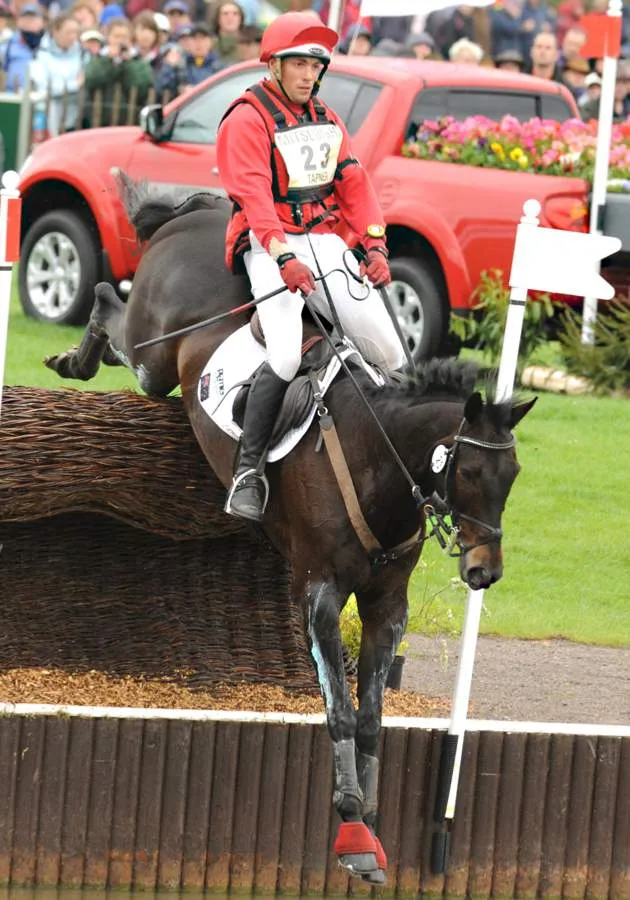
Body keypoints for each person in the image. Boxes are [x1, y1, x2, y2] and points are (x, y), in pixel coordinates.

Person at [215, 11, 404, 522]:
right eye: (298, 64)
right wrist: (282, 257)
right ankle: (248, 473)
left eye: (314, 65)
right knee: (283, 354)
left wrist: (375, 245)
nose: (308, 74)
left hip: (322, 241)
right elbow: (253, 197)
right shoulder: (246, 118)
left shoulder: (325, 118)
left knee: (389, 353)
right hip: (266, 242)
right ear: (274, 65)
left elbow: (354, 183)